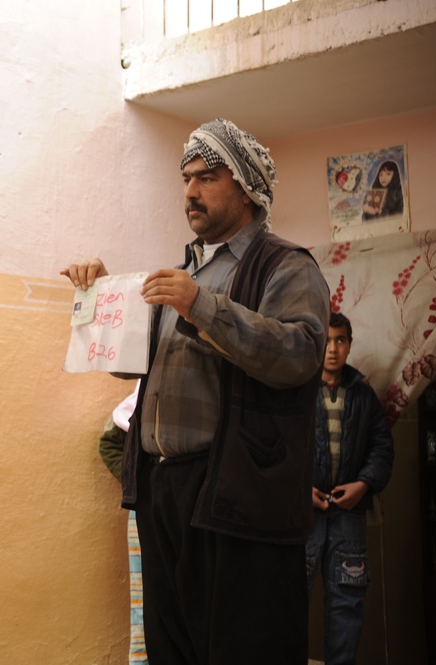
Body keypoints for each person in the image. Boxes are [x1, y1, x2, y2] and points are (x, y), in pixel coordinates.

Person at [61, 118, 330, 664]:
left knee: (242, 646)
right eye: (186, 179)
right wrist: (104, 296)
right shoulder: (186, 272)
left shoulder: (286, 266)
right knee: (175, 648)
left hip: (236, 493)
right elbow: (140, 363)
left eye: (206, 177)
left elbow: (299, 355)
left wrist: (199, 305)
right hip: (165, 492)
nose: (189, 192)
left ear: (247, 187)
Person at [306, 311, 394, 665]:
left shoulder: (363, 394)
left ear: (349, 344)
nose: (332, 348)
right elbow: (277, 447)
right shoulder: (296, 390)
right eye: (326, 340)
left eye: (340, 340)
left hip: (349, 514)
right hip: (303, 515)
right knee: (288, 599)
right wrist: (300, 490)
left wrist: (364, 484)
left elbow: (382, 448)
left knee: (347, 604)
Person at [98, 385, 148, 665]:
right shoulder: (140, 399)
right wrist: (138, 486)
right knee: (146, 605)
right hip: (146, 512)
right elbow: (108, 442)